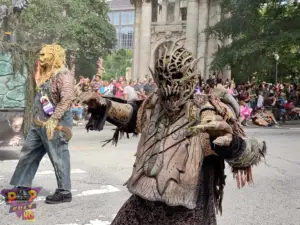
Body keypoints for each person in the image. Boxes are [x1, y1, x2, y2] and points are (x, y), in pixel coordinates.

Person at [82, 40, 267, 225]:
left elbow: (243, 155)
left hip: (186, 211)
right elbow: (134, 117)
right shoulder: (154, 103)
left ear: (190, 78)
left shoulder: (207, 110)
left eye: (176, 77)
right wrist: (105, 105)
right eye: (163, 80)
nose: (170, 88)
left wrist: (230, 142)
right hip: (143, 203)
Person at [6, 44, 75, 204]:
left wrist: (54, 119)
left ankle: (64, 191)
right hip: (39, 123)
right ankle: (22, 187)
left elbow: (66, 99)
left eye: (45, 55)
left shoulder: (64, 75)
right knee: (28, 153)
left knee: (58, 155)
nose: (41, 57)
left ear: (55, 56)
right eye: (41, 54)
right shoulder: (45, 75)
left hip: (57, 122)